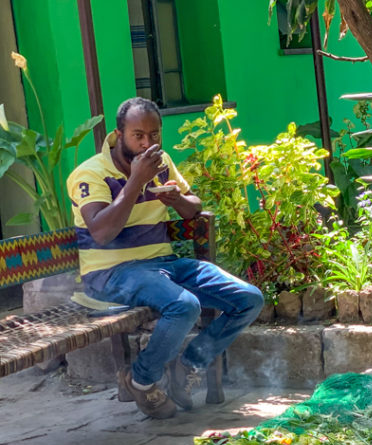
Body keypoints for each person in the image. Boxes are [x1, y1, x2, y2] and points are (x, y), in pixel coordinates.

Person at [67, 97, 264, 419]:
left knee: (248, 298)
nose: (148, 143)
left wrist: (177, 200)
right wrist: (135, 182)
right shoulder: (90, 174)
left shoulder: (161, 161)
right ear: (119, 134)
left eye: (154, 135)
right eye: (138, 136)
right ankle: (142, 380)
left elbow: (193, 207)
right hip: (112, 272)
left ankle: (187, 366)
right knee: (184, 305)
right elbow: (102, 232)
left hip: (163, 265)